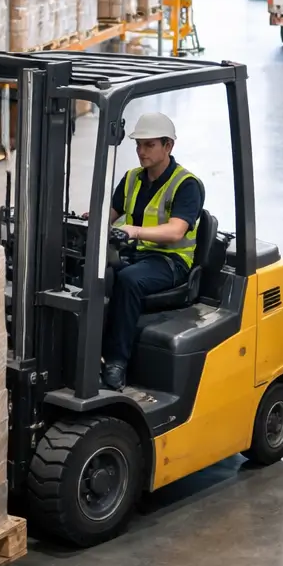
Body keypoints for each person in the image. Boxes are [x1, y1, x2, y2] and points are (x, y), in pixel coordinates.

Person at [100, 112, 203, 391]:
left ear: (168, 146)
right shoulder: (133, 178)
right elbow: (109, 214)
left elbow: (176, 231)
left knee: (129, 280)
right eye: (138, 145)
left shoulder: (186, 184)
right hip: (136, 254)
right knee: (89, 271)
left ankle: (116, 362)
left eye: (149, 145)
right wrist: (89, 220)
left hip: (171, 261)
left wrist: (135, 231)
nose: (141, 152)